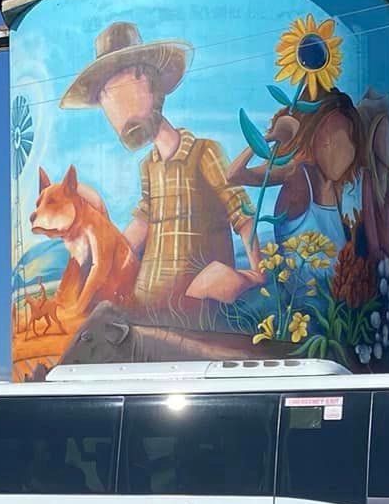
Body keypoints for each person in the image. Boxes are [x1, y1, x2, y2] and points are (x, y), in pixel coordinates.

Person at [60, 22, 255, 320]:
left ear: (145, 79)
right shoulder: (148, 166)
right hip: (150, 310)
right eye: (102, 97)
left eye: (110, 90)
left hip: (197, 312)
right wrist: (102, 250)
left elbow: (243, 216)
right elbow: (142, 224)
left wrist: (258, 274)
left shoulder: (204, 152)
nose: (110, 105)